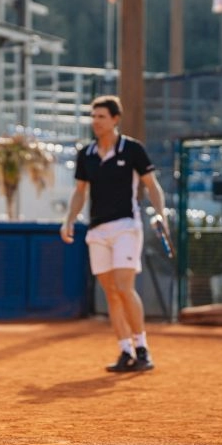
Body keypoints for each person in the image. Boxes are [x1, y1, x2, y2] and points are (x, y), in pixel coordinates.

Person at [60, 95, 167, 373]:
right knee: (110, 292)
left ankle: (142, 348)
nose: (96, 122)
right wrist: (69, 220)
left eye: (101, 117)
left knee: (123, 286)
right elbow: (80, 191)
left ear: (115, 119)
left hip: (125, 227)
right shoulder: (86, 154)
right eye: (93, 117)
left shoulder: (132, 150)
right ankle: (125, 350)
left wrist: (161, 213)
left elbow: (152, 186)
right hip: (97, 230)